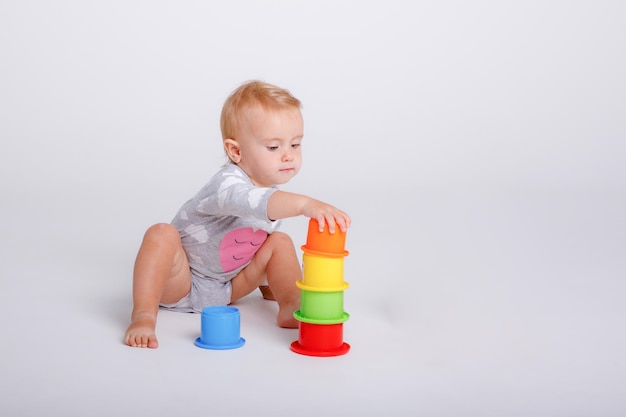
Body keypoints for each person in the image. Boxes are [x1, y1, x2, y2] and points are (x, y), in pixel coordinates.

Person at [124, 80, 351, 348]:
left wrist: (268, 280)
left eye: (295, 144)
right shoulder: (227, 184)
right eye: (274, 147)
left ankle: (290, 303)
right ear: (236, 151)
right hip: (183, 283)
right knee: (161, 233)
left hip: (227, 288)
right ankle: (143, 315)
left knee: (279, 243)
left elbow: (253, 239)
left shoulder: (270, 189)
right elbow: (256, 203)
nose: (288, 156)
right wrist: (304, 205)